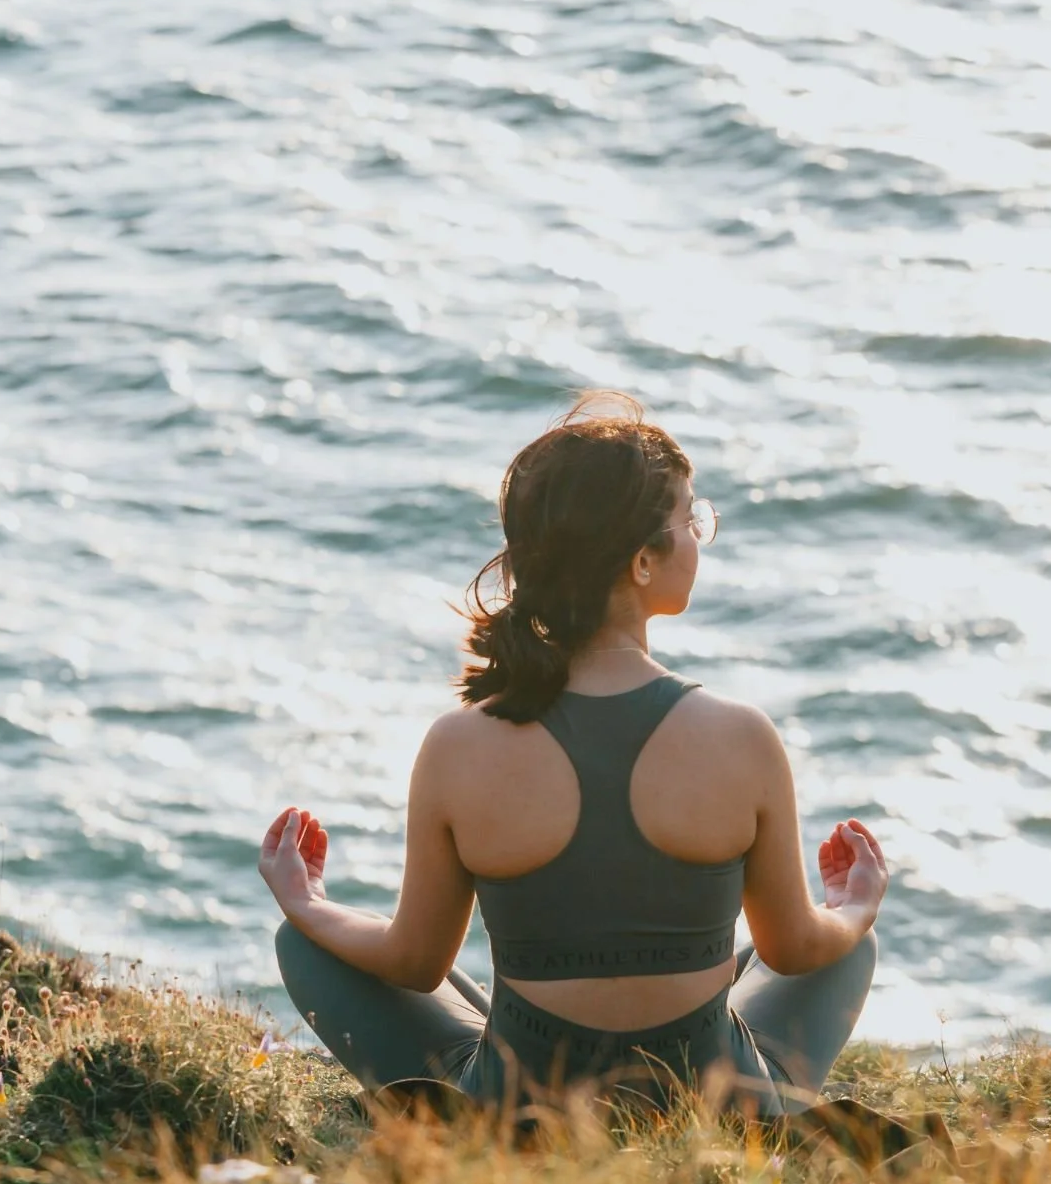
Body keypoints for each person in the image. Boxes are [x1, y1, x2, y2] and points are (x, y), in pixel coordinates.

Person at [259, 390, 885, 1120]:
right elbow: (797, 947)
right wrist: (855, 906)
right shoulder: (740, 735)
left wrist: (304, 901)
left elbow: (413, 961)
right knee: (848, 947)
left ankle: (507, 1079)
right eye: (691, 521)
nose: (699, 536)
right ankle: (750, 1107)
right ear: (643, 562)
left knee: (310, 944)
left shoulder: (458, 744)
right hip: (711, 1099)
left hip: (518, 1102)